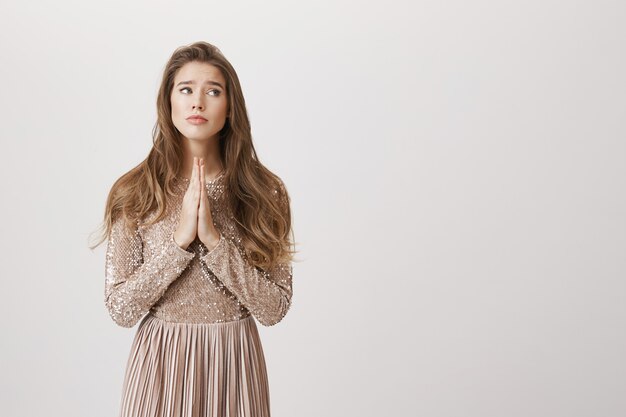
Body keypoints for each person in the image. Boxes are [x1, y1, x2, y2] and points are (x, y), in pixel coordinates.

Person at [91, 41, 296, 417]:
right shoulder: (136, 191)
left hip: (234, 362)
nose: (197, 102)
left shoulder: (266, 191)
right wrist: (180, 242)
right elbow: (120, 309)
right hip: (160, 363)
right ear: (168, 102)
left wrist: (216, 244)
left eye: (212, 91)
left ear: (230, 107)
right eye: (185, 89)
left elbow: (274, 308)